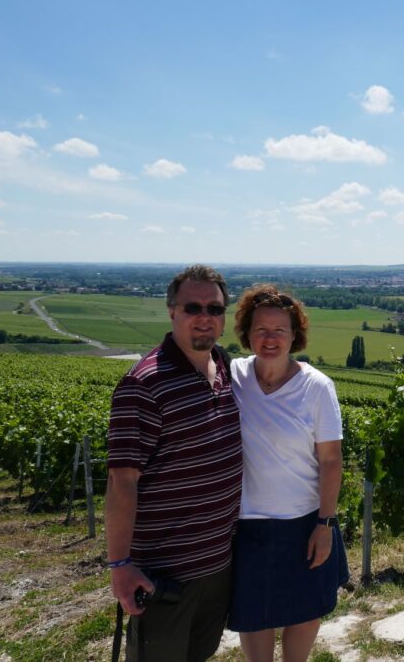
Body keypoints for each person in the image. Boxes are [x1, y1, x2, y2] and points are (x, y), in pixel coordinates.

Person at [105, 264, 243, 662]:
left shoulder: (225, 367)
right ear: (172, 311)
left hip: (218, 564)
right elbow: (121, 482)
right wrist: (120, 565)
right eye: (193, 307)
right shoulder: (144, 384)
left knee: (200, 654)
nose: (205, 317)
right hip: (166, 573)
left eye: (215, 309)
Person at [227, 284, 349, 662]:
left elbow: (330, 460)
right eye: (261, 329)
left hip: (304, 524)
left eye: (280, 330)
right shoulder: (231, 376)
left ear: (295, 336)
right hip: (247, 526)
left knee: (303, 613)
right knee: (254, 620)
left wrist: (325, 524)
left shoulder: (316, 388)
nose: (270, 338)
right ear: (247, 333)